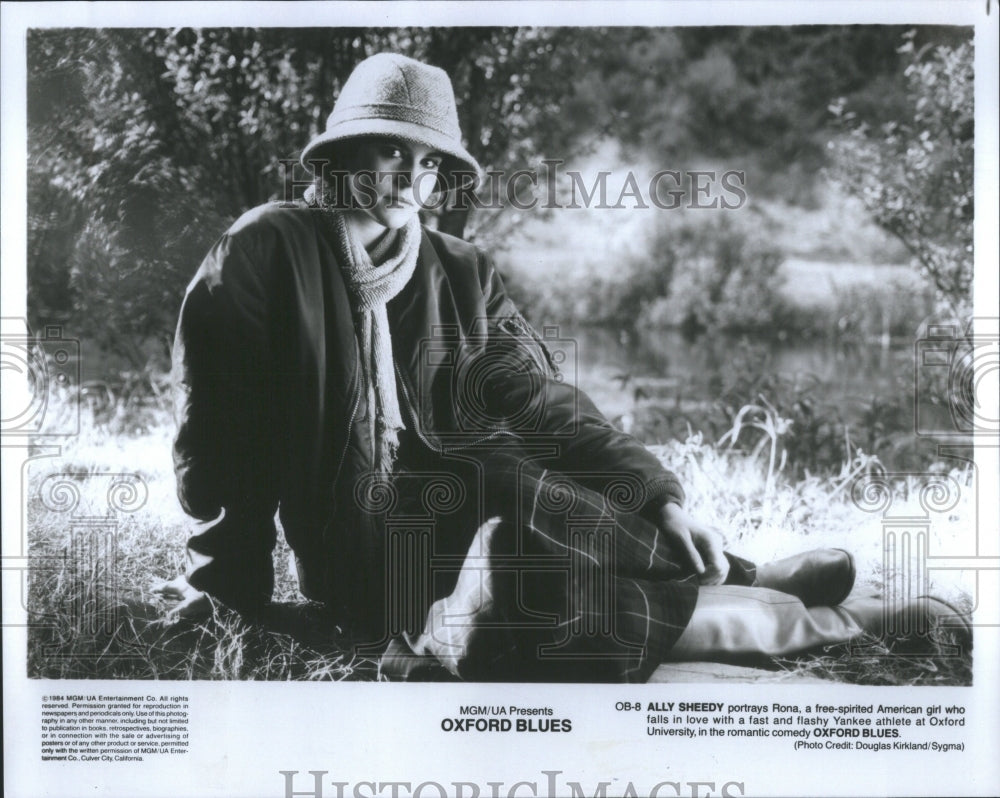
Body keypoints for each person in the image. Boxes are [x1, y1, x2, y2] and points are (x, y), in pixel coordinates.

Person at [154, 53, 969, 682]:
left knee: (519, 481)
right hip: (368, 539)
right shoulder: (267, 249)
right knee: (524, 552)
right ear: (339, 155)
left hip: (480, 495)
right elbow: (219, 437)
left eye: (428, 159)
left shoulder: (459, 267)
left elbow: (538, 401)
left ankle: (725, 566)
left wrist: (660, 494)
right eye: (387, 149)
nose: (409, 175)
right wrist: (231, 595)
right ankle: (765, 597)